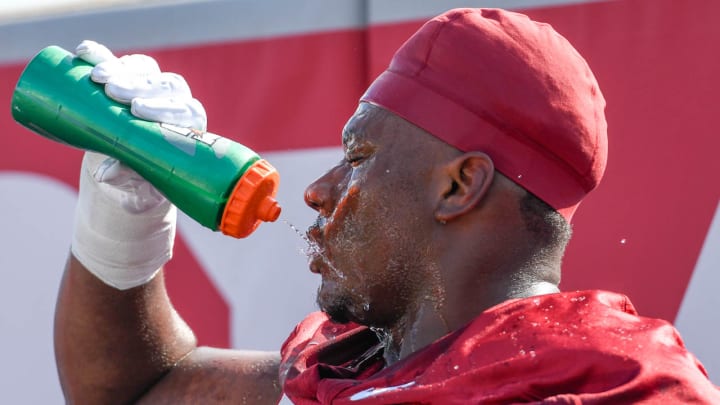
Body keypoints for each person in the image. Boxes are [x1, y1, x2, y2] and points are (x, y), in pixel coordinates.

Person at [54, 8, 720, 404]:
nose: (317, 190)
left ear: (459, 186)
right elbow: (136, 387)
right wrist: (124, 208)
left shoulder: (608, 387)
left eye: (361, 157)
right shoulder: (363, 367)